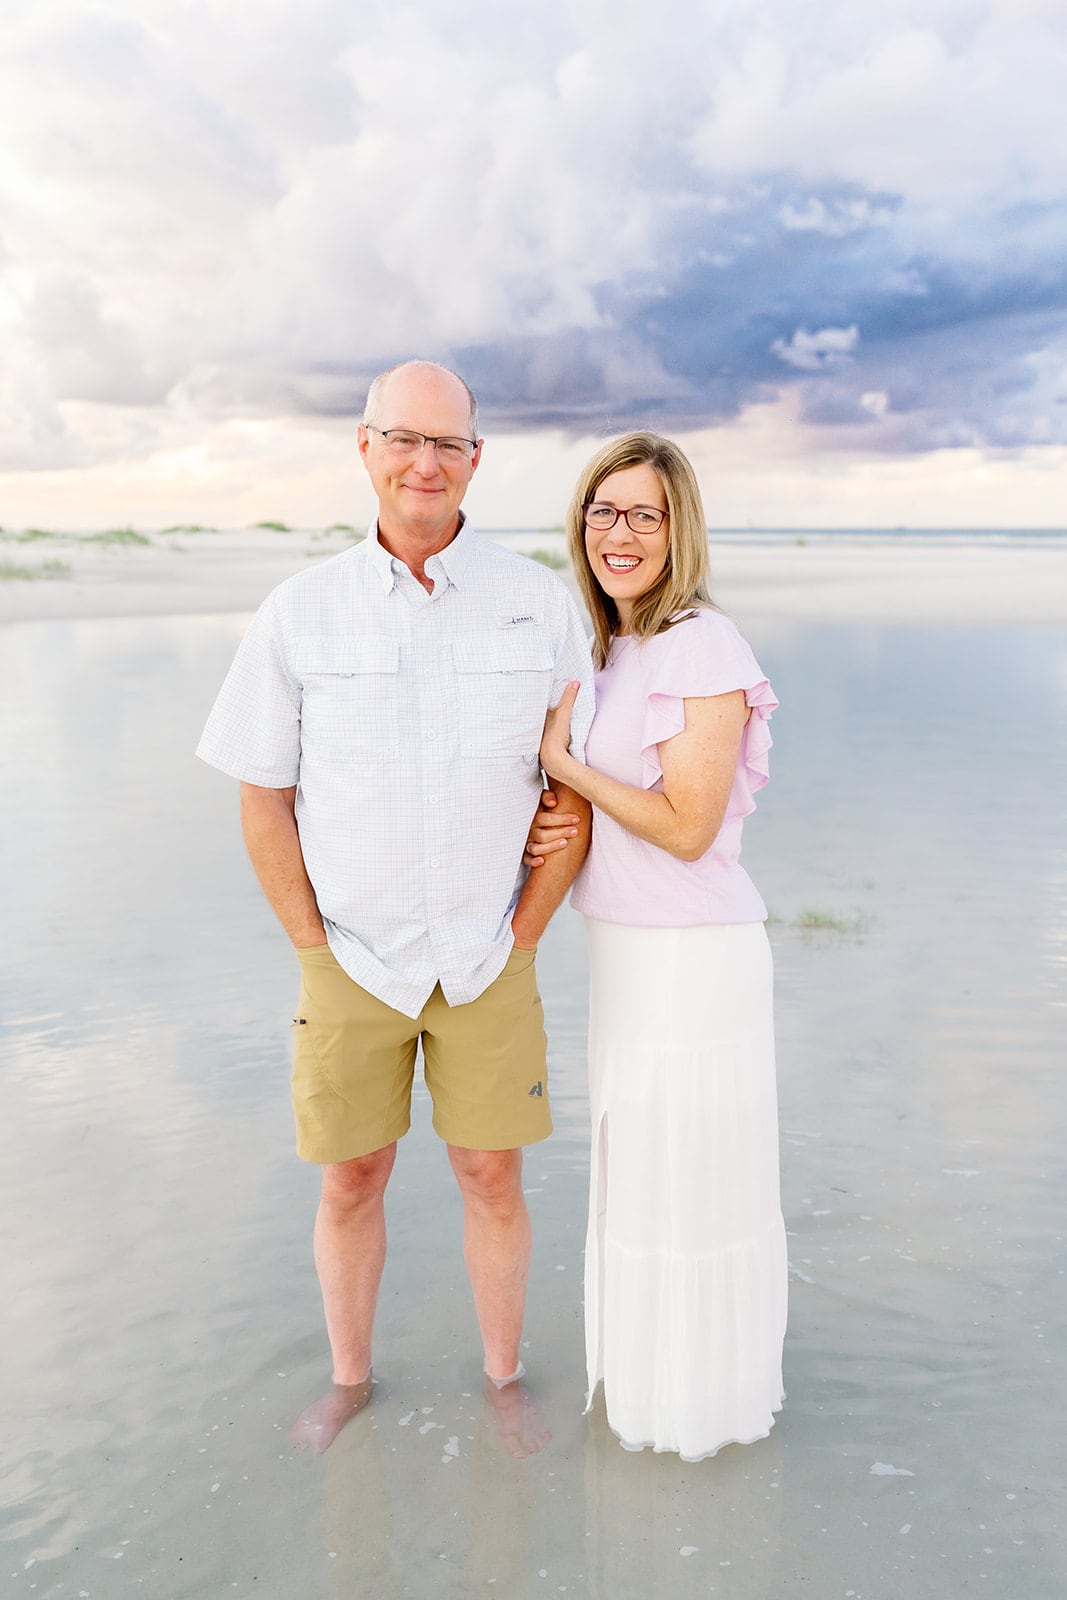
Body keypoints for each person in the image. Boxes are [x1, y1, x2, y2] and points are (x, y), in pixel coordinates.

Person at [196, 360, 593, 1454]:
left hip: (488, 952)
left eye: (448, 442)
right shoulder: (300, 611)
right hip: (349, 958)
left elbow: (572, 785)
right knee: (350, 1178)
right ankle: (349, 1381)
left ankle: (503, 1379)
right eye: (405, 439)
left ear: (476, 458)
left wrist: (525, 931)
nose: (426, 462)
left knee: (491, 1175)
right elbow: (262, 795)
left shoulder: (536, 603)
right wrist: (310, 946)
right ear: (365, 448)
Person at [526, 431, 787, 1461]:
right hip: (625, 950)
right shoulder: (609, 648)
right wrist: (550, 815)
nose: (619, 533)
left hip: (693, 959)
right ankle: (645, 1398)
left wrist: (567, 770)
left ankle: (701, 1414)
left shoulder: (700, 644)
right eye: (603, 511)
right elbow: (598, 807)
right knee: (639, 1171)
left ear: (678, 530)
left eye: (645, 514)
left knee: (691, 1179)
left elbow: (684, 827)